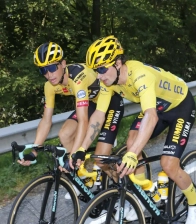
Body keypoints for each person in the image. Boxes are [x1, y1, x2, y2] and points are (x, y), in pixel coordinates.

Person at [71, 35, 196, 224]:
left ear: (117, 63)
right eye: (95, 71)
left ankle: (195, 203)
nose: (99, 76)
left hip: (180, 106)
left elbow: (151, 115)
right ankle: (143, 195)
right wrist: (81, 149)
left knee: (168, 164)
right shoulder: (109, 82)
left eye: (101, 69)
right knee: (131, 142)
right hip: (157, 107)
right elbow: (98, 115)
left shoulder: (139, 74)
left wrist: (133, 154)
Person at [17, 42, 124, 191]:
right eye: (43, 70)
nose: (49, 74)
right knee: (64, 134)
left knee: (101, 158)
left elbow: (83, 120)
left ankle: (124, 190)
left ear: (63, 64)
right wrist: (35, 151)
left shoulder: (77, 78)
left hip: (111, 102)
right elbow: (46, 120)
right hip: (92, 103)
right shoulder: (49, 86)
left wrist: (74, 154)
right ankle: (85, 174)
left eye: (52, 68)